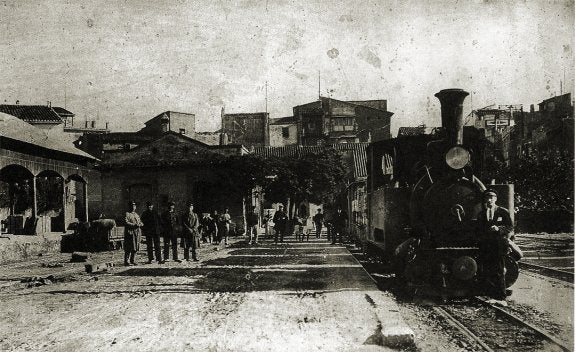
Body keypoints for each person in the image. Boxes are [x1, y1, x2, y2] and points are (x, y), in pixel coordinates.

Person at [477, 189, 513, 305]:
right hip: (487, 246)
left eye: (491, 198)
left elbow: (509, 227)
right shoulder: (482, 214)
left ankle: (502, 298)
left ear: (495, 199)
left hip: (499, 246)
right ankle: (492, 296)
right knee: (488, 271)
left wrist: (499, 229)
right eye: (487, 198)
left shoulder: (502, 211)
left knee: (499, 270)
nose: (489, 200)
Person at [124, 201, 143, 266]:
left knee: (135, 247)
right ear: (129, 207)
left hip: (137, 233)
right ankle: (126, 261)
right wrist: (134, 225)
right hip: (130, 233)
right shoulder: (127, 214)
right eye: (132, 206)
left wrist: (140, 224)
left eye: (134, 206)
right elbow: (126, 222)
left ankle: (132, 260)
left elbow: (140, 221)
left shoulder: (136, 214)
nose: (133, 207)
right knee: (129, 247)